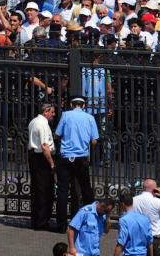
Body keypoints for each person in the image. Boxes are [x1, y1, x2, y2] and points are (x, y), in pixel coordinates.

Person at [54, 95, 99, 232]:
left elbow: (57, 134)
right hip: (81, 157)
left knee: (62, 190)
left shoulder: (66, 115)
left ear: (72, 104)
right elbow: (94, 140)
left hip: (66, 157)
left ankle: (61, 225)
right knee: (86, 190)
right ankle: (89, 221)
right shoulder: (90, 118)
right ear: (84, 105)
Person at [28, 103, 56, 230]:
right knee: (44, 190)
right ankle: (42, 221)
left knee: (37, 189)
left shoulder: (33, 121)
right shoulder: (43, 124)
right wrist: (51, 162)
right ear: (46, 112)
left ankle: (36, 220)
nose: (53, 114)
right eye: (52, 112)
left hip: (34, 156)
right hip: (42, 158)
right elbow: (45, 146)